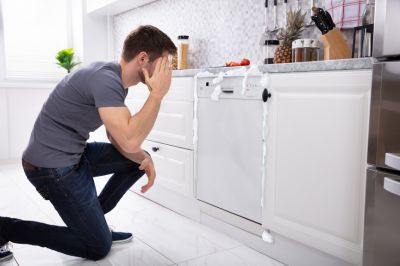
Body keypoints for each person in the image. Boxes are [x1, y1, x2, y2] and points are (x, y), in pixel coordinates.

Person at [0, 25, 177, 262]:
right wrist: (157, 95)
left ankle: (93, 223)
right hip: (49, 169)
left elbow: (117, 137)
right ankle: (5, 228)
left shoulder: (114, 78)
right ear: (143, 58)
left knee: (136, 160)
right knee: (96, 247)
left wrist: (145, 158)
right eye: (165, 65)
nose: (168, 73)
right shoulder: (105, 79)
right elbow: (129, 139)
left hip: (73, 157)